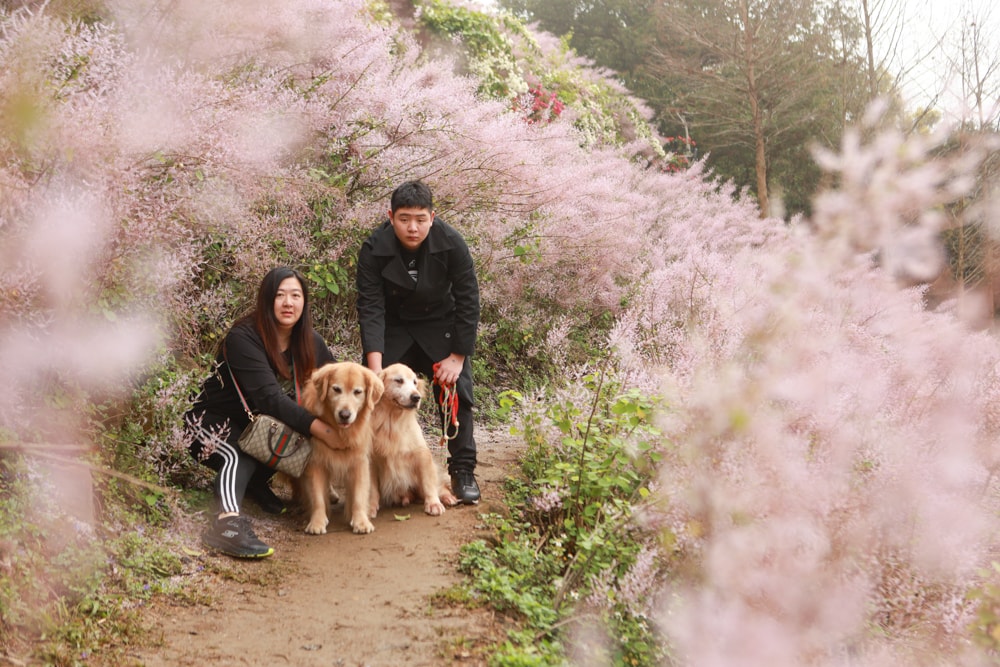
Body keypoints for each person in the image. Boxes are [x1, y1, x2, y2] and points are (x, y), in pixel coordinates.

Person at [185, 266, 341, 558]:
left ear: (304, 302)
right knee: (236, 453)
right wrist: (323, 430)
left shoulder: (310, 341)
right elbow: (269, 399)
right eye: (280, 295)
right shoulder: (243, 338)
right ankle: (226, 525)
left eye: (296, 295)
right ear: (266, 300)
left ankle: (254, 484)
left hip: (258, 427)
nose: (288, 303)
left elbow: (338, 382)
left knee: (285, 437)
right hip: (208, 420)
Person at [356, 180, 482, 504]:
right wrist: (374, 373)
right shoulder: (374, 248)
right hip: (394, 327)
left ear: (432, 217)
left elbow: (469, 299)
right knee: (367, 394)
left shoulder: (452, 243)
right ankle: (366, 471)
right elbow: (370, 307)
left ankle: (463, 470)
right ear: (390, 216)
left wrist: (457, 357)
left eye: (420, 219)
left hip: (439, 325)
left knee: (457, 391)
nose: (412, 227)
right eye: (404, 219)